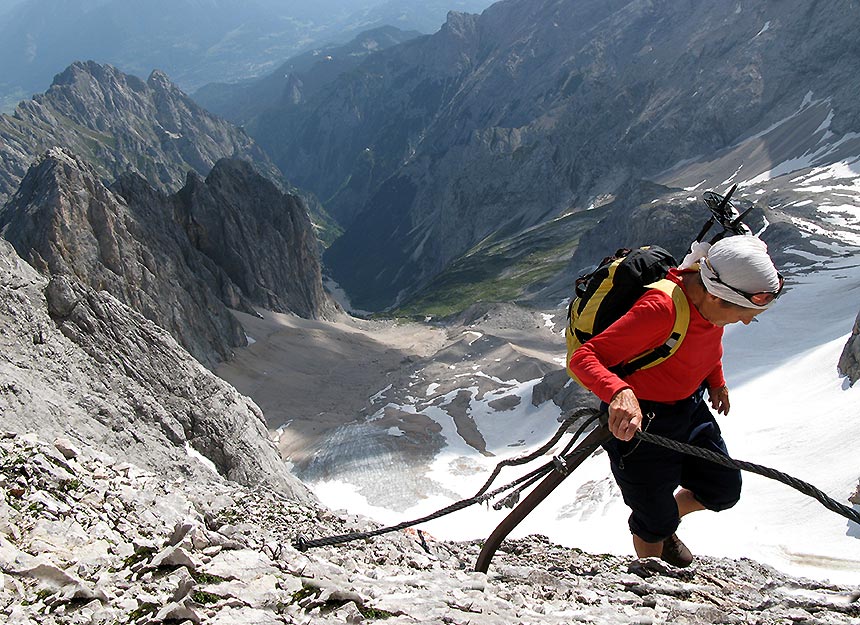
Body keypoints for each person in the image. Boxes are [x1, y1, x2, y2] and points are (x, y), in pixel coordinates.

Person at [568, 235, 784, 567]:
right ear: (717, 296)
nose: (745, 320)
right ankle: (652, 562)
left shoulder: (708, 303)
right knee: (652, 517)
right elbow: (584, 358)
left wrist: (717, 381)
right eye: (744, 312)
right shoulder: (660, 309)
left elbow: (704, 343)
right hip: (641, 424)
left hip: (689, 408)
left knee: (722, 489)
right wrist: (619, 392)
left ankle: (663, 523)